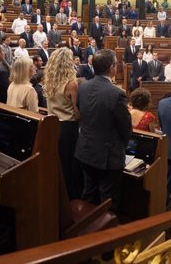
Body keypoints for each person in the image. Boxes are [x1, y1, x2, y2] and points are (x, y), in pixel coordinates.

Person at [75, 49, 131, 212]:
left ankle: (86, 231)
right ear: (112, 67)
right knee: (108, 200)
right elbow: (125, 128)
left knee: (88, 194)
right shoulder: (116, 93)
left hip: (85, 149)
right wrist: (122, 145)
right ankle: (107, 235)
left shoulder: (83, 86)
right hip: (108, 155)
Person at [43, 47, 82, 200]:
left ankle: (56, 194)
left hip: (52, 124)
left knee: (58, 162)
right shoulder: (71, 83)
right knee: (69, 164)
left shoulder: (48, 80)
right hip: (68, 127)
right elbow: (76, 111)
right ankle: (70, 198)